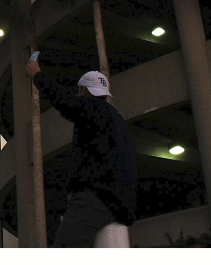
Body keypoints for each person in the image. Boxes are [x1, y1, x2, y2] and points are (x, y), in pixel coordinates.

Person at [26, 58, 137, 247]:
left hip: (95, 199)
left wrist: (37, 75)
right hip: (120, 206)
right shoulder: (117, 118)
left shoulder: (91, 109)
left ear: (84, 90)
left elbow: (63, 100)